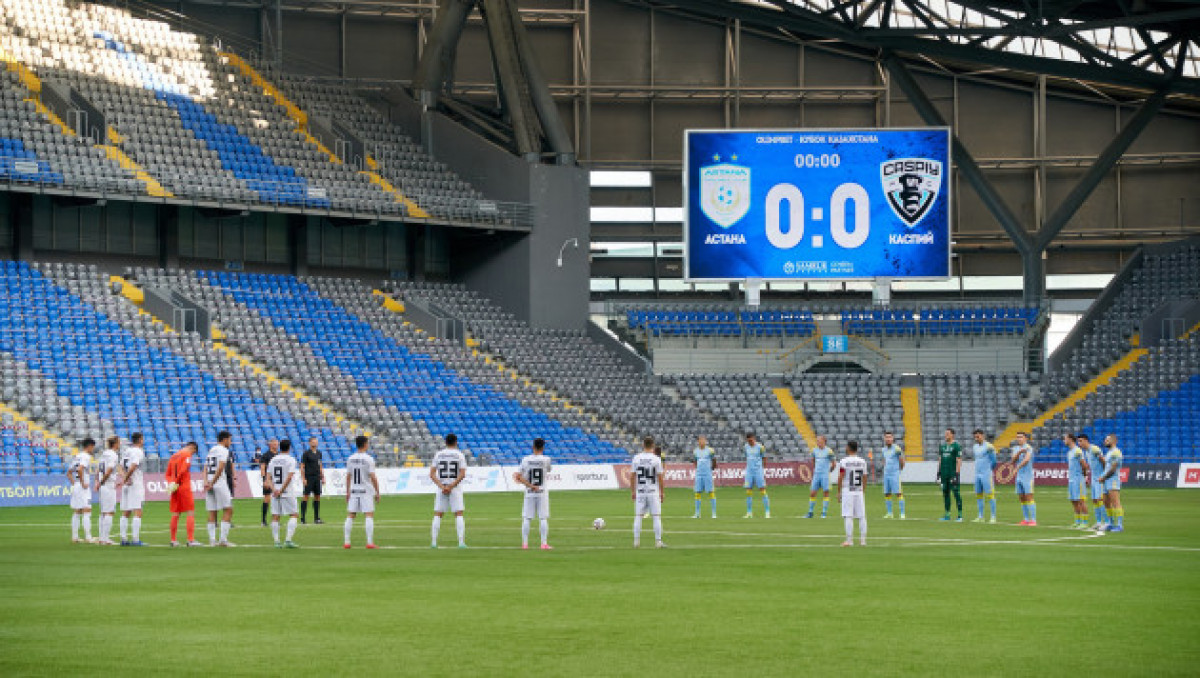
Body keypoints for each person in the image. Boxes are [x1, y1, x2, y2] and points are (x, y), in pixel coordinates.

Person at [514, 438, 552, 549]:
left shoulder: (525, 460)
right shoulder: (547, 460)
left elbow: (518, 477)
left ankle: (525, 544)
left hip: (530, 492)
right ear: (543, 447)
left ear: (533, 447)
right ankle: (544, 543)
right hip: (542, 492)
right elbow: (549, 470)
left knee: (527, 518)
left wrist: (530, 486)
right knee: (543, 518)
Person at [430, 433, 467, 549]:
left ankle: (434, 542)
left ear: (445, 442)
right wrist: (451, 486)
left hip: (442, 488)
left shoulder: (438, 455)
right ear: (456, 442)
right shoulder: (459, 455)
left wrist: (442, 486)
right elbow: (462, 474)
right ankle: (461, 542)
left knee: (438, 514)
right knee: (459, 514)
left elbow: (431, 474)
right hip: (454, 488)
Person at [344, 436, 380, 549]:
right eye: (367, 443)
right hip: (366, 490)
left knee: (351, 515)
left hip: (354, 490)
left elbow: (348, 476)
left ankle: (347, 542)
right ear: (365, 444)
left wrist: (347, 492)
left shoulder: (350, 458)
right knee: (369, 515)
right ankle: (369, 543)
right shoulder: (369, 459)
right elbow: (373, 477)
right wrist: (377, 492)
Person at [631, 436, 665, 548]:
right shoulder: (656, 459)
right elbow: (660, 477)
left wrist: (633, 491)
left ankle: (636, 541)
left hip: (640, 491)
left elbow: (632, 476)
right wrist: (662, 492)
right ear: (653, 445)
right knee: (656, 516)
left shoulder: (636, 458)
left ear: (643, 445)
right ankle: (658, 541)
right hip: (653, 492)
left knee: (638, 516)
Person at [267, 439, 301, 548]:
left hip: (275, 492)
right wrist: (281, 490)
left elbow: (268, 478)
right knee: (294, 514)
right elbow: (289, 476)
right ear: (289, 448)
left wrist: (274, 490)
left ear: (280, 447)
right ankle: (288, 540)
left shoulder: (273, 460)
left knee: (275, 516)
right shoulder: (291, 460)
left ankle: (276, 542)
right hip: (287, 492)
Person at [204, 431, 236, 547]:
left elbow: (205, 467)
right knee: (228, 509)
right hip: (219, 483)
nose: (230, 442)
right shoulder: (224, 450)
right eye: (230, 440)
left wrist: (206, 481)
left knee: (212, 511)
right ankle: (223, 540)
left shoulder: (211, 450)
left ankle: (212, 540)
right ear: (225, 440)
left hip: (209, 483)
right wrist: (213, 482)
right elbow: (221, 466)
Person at [166, 442, 201, 547]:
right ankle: (190, 540)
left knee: (176, 513)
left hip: (174, 487)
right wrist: (177, 481)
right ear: (192, 448)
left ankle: (173, 540)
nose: (192, 454)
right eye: (194, 452)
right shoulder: (187, 454)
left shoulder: (173, 456)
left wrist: (171, 483)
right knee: (190, 511)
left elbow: (167, 473)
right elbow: (183, 469)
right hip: (183, 486)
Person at [837, 440, 869, 547]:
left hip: (848, 490)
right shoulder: (862, 461)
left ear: (849, 448)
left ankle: (849, 540)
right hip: (858, 491)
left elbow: (841, 476)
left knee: (848, 516)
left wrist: (838, 492)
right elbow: (865, 477)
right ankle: (863, 540)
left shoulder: (844, 461)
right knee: (862, 516)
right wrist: (863, 490)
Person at [118, 432, 147, 546]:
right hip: (135, 483)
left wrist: (124, 477)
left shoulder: (127, 451)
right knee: (138, 511)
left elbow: (119, 466)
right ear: (140, 440)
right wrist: (127, 477)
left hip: (127, 484)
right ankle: (135, 539)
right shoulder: (138, 451)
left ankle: (123, 539)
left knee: (126, 511)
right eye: (142, 439)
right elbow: (134, 465)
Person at [68, 438, 96, 544]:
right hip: (82, 487)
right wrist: (83, 482)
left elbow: (69, 473)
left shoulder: (77, 456)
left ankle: (75, 537)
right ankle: (88, 537)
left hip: (76, 486)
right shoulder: (85, 456)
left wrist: (75, 483)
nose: (93, 449)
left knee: (77, 511)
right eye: (92, 447)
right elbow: (80, 469)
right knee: (87, 510)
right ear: (89, 446)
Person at [95, 436, 121, 545]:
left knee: (103, 512)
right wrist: (101, 482)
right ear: (114, 444)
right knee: (109, 512)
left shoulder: (103, 454)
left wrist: (97, 481)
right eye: (118, 443)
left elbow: (97, 469)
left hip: (103, 485)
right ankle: (105, 539)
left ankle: (101, 538)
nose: (119, 445)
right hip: (108, 485)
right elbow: (109, 470)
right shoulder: (113, 455)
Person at [1097, 434, 1125, 533]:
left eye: (1107, 439)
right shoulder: (1109, 453)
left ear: (1113, 441)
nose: (1105, 441)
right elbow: (1107, 467)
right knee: (1106, 501)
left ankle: (1120, 525)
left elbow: (1113, 469)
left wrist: (1103, 477)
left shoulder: (1116, 452)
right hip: (1106, 480)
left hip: (1112, 480)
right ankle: (1111, 523)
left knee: (1115, 502)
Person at [1079, 433, 1107, 528]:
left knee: (1101, 500)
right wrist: (1087, 477)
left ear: (1086, 440)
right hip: (1094, 479)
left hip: (1100, 478)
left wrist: (1104, 475)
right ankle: (1099, 522)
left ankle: (1106, 522)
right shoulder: (1086, 452)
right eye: (1078, 441)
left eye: (1081, 441)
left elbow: (1103, 461)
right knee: (1095, 500)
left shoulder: (1095, 449)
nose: (1079, 443)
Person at [936, 428, 963, 522]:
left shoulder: (956, 446)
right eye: (945, 434)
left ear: (952, 435)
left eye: (948, 434)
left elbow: (959, 460)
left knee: (956, 493)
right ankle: (947, 515)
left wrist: (957, 474)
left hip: (952, 474)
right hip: (944, 474)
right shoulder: (942, 446)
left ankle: (960, 515)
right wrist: (938, 473)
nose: (946, 435)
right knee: (945, 494)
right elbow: (940, 459)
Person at [971, 429, 998, 523]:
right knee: (979, 495)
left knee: (990, 495)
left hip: (986, 474)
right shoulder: (974, 447)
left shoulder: (989, 446)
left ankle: (993, 517)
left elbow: (994, 461)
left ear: (983, 436)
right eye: (975, 437)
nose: (976, 438)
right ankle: (980, 516)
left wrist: (989, 470)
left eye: (978, 436)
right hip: (977, 474)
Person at [1011, 432, 1036, 526]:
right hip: (1019, 477)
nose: (1019, 439)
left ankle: (1033, 520)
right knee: (1022, 498)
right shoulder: (1015, 448)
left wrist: (1017, 468)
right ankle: (1025, 519)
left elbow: (1026, 460)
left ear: (1025, 438)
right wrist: (1019, 452)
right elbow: (1013, 460)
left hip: (1027, 477)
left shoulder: (1029, 448)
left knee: (1029, 497)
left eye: (1021, 437)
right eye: (1017, 437)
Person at [742, 433, 770, 519]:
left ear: (753, 438)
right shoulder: (746, 447)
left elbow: (764, 458)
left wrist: (763, 469)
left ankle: (767, 512)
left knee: (762, 490)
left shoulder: (760, 447)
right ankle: (749, 512)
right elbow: (747, 457)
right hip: (749, 471)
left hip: (758, 471)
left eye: (751, 439)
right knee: (748, 491)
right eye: (748, 440)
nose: (749, 441)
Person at [1064, 433, 1089, 528]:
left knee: (1081, 501)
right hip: (1071, 480)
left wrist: (1084, 477)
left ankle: (1085, 522)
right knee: (1073, 501)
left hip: (1078, 480)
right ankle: (1077, 521)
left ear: (1070, 439)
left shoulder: (1078, 451)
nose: (1064, 441)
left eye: (1065, 439)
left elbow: (1084, 465)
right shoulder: (1069, 452)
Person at [880, 431, 905, 519]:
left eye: (890, 437)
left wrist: (899, 470)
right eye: (886, 437)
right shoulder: (883, 449)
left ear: (893, 438)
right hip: (886, 474)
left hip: (895, 474)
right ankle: (890, 513)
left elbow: (901, 460)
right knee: (887, 493)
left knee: (898, 493)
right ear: (884, 439)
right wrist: (885, 467)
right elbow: (884, 460)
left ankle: (902, 514)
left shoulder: (897, 448)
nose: (888, 439)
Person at [300, 437, 325, 524]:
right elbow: (302, 466)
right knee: (306, 496)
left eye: (316, 442)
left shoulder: (319, 453)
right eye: (313, 442)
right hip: (309, 477)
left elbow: (320, 465)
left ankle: (316, 518)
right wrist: (303, 478)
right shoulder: (306, 453)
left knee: (317, 496)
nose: (314, 443)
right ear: (310, 443)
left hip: (317, 477)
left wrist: (322, 476)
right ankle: (303, 518)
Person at [691, 435, 717, 519]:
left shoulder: (710, 450)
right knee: (697, 492)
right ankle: (697, 513)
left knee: (711, 492)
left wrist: (712, 467)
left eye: (703, 440)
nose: (702, 442)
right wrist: (697, 468)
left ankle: (714, 513)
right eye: (700, 440)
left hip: (707, 474)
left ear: (705, 441)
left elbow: (714, 460)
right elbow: (695, 461)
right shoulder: (695, 451)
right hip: (699, 474)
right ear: (698, 441)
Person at [257, 439, 278, 527]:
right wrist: (265, 479)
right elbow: (262, 468)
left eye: (277, 443)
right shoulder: (266, 455)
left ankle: (275, 520)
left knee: (277, 499)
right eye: (274, 443)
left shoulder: (279, 455)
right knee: (267, 499)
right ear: (270, 445)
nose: (276, 445)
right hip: (268, 479)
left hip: (277, 479)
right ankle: (263, 520)